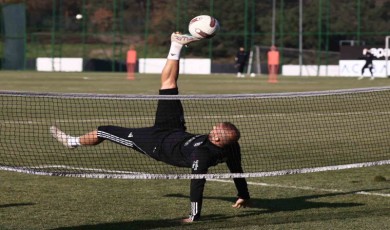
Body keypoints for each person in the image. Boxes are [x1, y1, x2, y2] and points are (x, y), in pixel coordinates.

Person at [50, 32, 250, 223]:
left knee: (104, 130)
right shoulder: (231, 146)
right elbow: (237, 171)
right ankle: (176, 44)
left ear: (216, 140)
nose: (213, 127)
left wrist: (194, 216)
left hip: (156, 143)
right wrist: (243, 194)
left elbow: (197, 184)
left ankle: (72, 142)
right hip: (174, 130)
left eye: (215, 130)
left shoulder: (202, 155)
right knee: (169, 84)